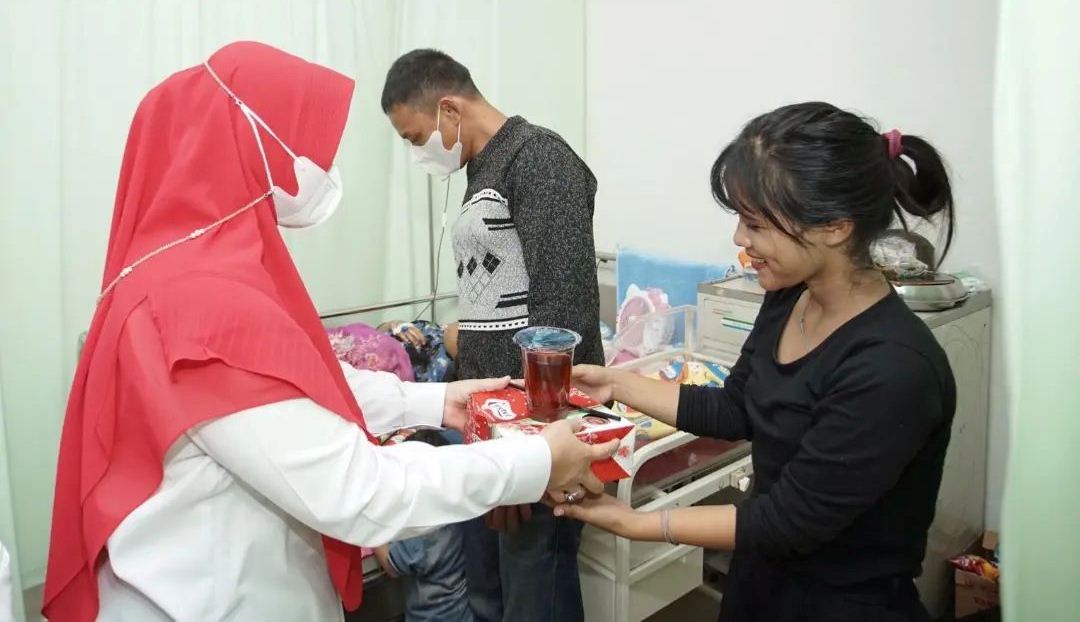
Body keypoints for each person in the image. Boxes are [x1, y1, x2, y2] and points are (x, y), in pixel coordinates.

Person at [41, 42, 615, 622]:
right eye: (306, 146)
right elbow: (357, 486)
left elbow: (296, 383)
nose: (320, 167)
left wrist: (451, 406)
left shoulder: (179, 282)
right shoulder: (196, 307)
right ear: (252, 144)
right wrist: (525, 460)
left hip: (518, 426)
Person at [556, 102, 957, 622]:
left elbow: (788, 522)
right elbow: (736, 408)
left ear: (835, 227)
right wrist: (615, 384)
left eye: (755, 224)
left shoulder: (893, 367)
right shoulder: (790, 296)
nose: (740, 240)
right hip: (759, 589)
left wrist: (637, 523)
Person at [382, 49, 604, 621]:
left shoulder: (539, 159)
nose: (417, 152)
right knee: (487, 597)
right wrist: (486, 448)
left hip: (534, 436)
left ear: (449, 109)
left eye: (415, 137)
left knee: (535, 600)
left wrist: (525, 457)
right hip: (493, 434)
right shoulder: (481, 170)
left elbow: (564, 323)